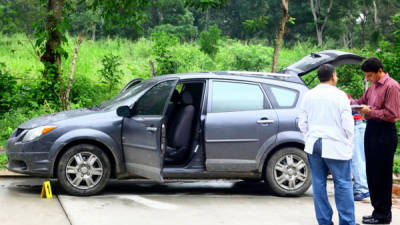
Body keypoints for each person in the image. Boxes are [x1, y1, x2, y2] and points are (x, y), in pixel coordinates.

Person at [299, 64, 357, 225]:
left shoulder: (309, 95)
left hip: (314, 143)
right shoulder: (340, 96)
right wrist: (349, 141)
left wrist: (309, 137)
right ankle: (346, 221)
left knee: (318, 184)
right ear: (333, 76)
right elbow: (347, 123)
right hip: (335, 143)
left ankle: (324, 221)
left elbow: (302, 122)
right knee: (343, 183)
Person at [351, 57, 400, 224]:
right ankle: (376, 211)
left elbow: (393, 114)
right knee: (372, 173)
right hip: (372, 130)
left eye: (370, 75)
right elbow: (361, 102)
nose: (367, 78)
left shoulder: (391, 86)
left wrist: (370, 112)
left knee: (383, 175)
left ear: (380, 71)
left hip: (385, 132)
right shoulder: (372, 87)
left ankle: (383, 215)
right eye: (366, 75)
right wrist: (349, 102)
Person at [347, 94, 370, 201]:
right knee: (359, 159)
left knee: (357, 159)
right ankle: (360, 187)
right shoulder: (341, 95)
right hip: (357, 126)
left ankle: (362, 190)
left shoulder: (340, 96)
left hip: (356, 126)